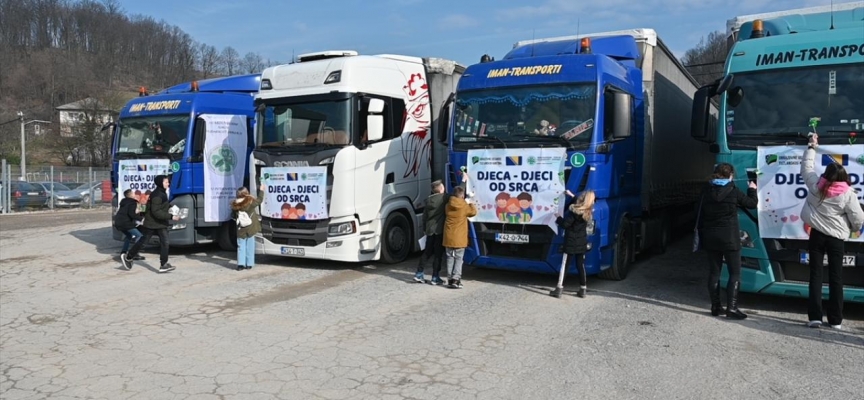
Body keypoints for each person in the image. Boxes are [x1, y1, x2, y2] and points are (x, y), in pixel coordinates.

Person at [801, 134, 864, 329]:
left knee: (815, 276)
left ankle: (814, 318)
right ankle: (835, 320)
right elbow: (858, 217)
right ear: (844, 177)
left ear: (825, 175)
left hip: (817, 235)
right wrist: (853, 228)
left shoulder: (814, 185)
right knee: (836, 277)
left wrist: (812, 147)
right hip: (836, 238)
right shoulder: (847, 194)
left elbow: (806, 167)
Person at [698, 163, 757, 319]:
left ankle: (716, 307)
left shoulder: (706, 190)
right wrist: (752, 189)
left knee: (714, 272)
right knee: (735, 273)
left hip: (710, 236)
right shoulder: (733, 190)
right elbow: (752, 204)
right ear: (731, 175)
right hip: (729, 237)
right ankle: (732, 308)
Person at [121, 175, 180, 273]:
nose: (168, 183)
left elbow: (162, 205)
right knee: (144, 242)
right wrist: (171, 216)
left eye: (168, 182)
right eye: (166, 182)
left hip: (160, 223)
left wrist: (172, 207)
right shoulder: (157, 195)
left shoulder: (162, 193)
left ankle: (163, 265)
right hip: (152, 223)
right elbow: (156, 211)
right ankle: (128, 257)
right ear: (161, 183)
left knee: (165, 242)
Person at [550, 190, 593, 298]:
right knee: (580, 265)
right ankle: (583, 289)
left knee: (565, 265)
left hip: (570, 242)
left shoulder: (574, 212)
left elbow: (565, 224)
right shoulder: (588, 211)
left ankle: (559, 289)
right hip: (581, 242)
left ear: (582, 200)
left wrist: (557, 216)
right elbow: (579, 203)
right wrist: (571, 195)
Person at [413, 180, 450, 285]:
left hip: (429, 230)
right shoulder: (443, 198)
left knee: (427, 252)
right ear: (441, 189)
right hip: (439, 230)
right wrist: (463, 181)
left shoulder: (428, 200)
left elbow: (424, 218)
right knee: (438, 254)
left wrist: (425, 229)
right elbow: (457, 194)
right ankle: (435, 277)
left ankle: (419, 273)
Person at [443, 185, 477, 289]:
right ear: (462, 196)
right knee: (458, 259)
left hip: (448, 236)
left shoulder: (448, 205)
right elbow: (473, 212)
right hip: (459, 238)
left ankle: (449, 279)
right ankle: (456, 280)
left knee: (449, 258)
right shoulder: (464, 206)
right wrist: (470, 202)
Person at [232, 185, 265, 271]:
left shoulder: (235, 205)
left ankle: (240, 265)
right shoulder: (250, 202)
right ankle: (249, 264)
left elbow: (233, 216)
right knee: (250, 246)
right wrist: (261, 190)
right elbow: (259, 200)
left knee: (241, 246)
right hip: (251, 227)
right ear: (246, 193)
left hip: (241, 228)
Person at [114, 189, 145, 261]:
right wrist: (141, 219)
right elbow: (132, 214)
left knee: (129, 236)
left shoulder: (124, 202)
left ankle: (123, 252)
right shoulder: (132, 203)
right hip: (125, 223)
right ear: (130, 195)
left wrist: (136, 211)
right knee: (139, 236)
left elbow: (127, 211)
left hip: (118, 222)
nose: (134, 194)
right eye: (133, 193)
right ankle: (134, 253)